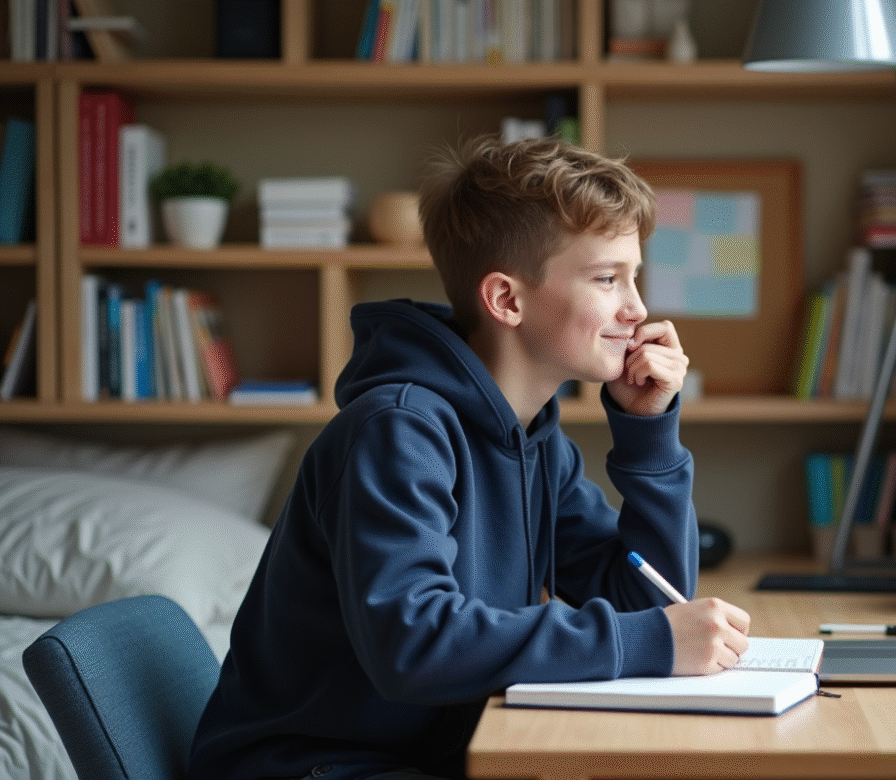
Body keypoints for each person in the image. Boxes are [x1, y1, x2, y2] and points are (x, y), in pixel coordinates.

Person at [189, 136, 751, 780]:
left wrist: (648, 432)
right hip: (310, 767)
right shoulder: (397, 432)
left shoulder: (536, 440)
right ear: (506, 300)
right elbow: (414, 643)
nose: (638, 309)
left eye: (634, 276)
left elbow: (646, 597)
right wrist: (650, 640)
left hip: (428, 756)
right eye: (606, 278)